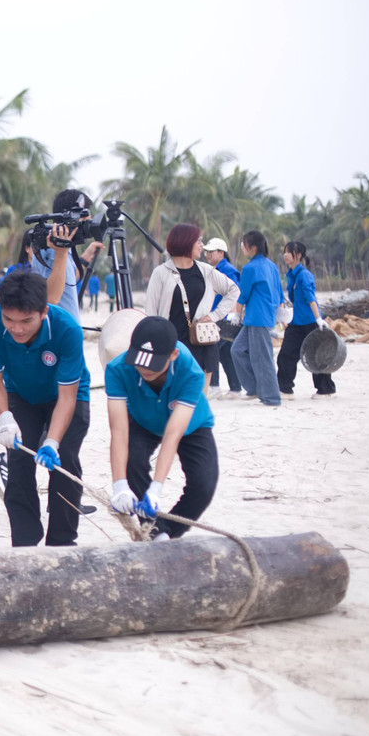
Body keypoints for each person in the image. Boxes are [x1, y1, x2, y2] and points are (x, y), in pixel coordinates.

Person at [0, 271, 91, 547]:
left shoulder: (67, 330)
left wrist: (50, 442)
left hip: (65, 396)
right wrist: (5, 419)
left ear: (44, 312)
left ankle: (62, 542)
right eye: (9, 320)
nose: (17, 329)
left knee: (64, 458)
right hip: (21, 395)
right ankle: (25, 542)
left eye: (26, 321)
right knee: (18, 460)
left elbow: (66, 398)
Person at [106, 317, 218, 540]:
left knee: (203, 484)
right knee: (133, 462)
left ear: (173, 355)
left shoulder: (191, 372)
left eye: (153, 363)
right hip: (143, 419)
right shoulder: (117, 369)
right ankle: (155, 532)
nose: (145, 369)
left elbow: (173, 434)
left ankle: (166, 535)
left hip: (189, 425)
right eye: (139, 361)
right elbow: (118, 430)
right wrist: (119, 484)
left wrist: (156, 487)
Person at [143, 223, 239, 387]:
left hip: (201, 341)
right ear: (185, 242)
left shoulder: (206, 271)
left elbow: (233, 290)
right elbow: (151, 312)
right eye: (198, 241)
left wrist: (214, 316)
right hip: (172, 343)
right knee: (175, 396)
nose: (202, 246)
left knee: (199, 400)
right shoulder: (161, 273)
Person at [25, 190, 106, 322]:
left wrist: (85, 259)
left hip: (67, 332)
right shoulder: (52, 249)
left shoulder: (63, 249)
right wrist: (61, 252)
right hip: (59, 335)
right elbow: (51, 298)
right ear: (71, 218)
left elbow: (67, 282)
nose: (88, 227)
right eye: (85, 221)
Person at [229, 230, 284, 407]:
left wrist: (236, 313)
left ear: (252, 248)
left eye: (244, 244)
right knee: (237, 350)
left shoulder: (250, 268)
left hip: (258, 317)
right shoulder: (272, 266)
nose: (242, 248)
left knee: (263, 358)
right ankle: (253, 388)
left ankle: (271, 397)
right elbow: (279, 293)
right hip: (260, 317)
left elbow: (243, 294)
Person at [278, 241, 335, 399]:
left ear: (299, 255)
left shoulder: (304, 275)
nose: (286, 255)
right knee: (286, 354)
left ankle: (325, 390)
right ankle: (284, 389)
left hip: (311, 322)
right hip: (296, 323)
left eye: (289, 252)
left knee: (317, 356)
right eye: (285, 252)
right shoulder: (291, 274)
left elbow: (311, 298)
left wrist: (318, 319)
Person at [201, 237, 243, 396]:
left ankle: (214, 386)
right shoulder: (216, 269)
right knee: (225, 354)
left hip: (224, 318)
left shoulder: (228, 270)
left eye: (211, 251)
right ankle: (235, 388)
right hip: (217, 316)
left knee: (211, 350)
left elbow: (235, 293)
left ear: (221, 253)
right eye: (206, 251)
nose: (207, 254)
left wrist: (233, 315)